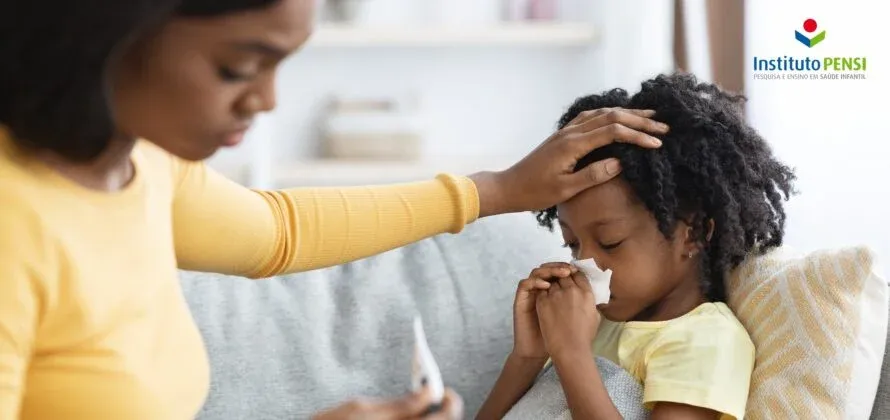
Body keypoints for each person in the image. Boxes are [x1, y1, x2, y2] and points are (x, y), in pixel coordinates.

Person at [0, 1, 670, 419]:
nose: (268, 101)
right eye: (239, 66)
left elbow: (278, 233)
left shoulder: (140, 165)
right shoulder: (17, 224)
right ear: (107, 31)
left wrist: (498, 190)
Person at [477, 73, 796, 420]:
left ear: (695, 233)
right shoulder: (592, 324)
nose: (585, 263)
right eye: (572, 243)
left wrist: (572, 354)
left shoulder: (706, 341)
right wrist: (529, 355)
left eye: (610, 242)